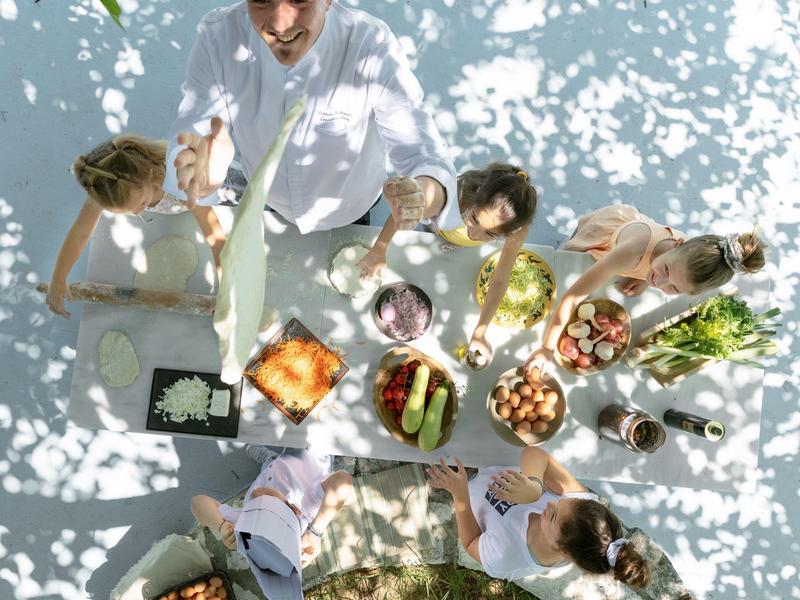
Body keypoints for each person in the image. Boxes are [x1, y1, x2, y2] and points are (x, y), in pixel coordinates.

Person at [166, 0, 457, 236]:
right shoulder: (219, 40)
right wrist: (195, 173)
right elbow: (193, 130)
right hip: (272, 198)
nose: (280, 24)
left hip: (351, 207)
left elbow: (425, 156)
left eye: (299, 1)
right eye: (261, 1)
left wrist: (421, 194)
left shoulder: (370, 47)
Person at [524, 204, 765, 375]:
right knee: (570, 256)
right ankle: (569, 242)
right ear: (677, 244)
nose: (660, 284)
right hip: (609, 235)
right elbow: (572, 297)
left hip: (637, 255)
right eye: (667, 271)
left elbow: (664, 268)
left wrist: (644, 279)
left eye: (675, 289)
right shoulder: (633, 251)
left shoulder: (681, 257)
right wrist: (546, 348)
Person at [359, 162, 537, 361]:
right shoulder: (453, 194)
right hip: (439, 228)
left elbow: (500, 279)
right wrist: (380, 248)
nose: (473, 233)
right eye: (475, 219)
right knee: (432, 228)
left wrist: (480, 331)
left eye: (490, 233)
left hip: (456, 242)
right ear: (474, 198)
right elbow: (405, 211)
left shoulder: (517, 230)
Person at [46, 135, 226, 318]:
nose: (136, 213)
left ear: (150, 175)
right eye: (128, 210)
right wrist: (58, 280)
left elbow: (215, 237)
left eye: (141, 203)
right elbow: (81, 232)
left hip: (225, 195)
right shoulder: (110, 185)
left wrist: (227, 288)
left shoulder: (181, 181)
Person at [427, 446, 651, 588]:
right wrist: (535, 485)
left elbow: (470, 542)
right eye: (562, 501)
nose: (552, 503)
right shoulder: (584, 509)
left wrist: (459, 494)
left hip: (463, 484)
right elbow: (536, 453)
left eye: (553, 517)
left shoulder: (505, 558)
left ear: (562, 551)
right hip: (489, 456)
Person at [190, 445, 353, 593]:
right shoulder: (305, 507)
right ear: (294, 510)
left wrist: (221, 525)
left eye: (257, 507)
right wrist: (315, 531)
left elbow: (197, 503)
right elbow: (343, 480)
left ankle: (268, 458)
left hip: (271, 469)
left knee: (268, 469)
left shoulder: (247, 527)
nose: (258, 493)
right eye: (269, 504)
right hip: (311, 457)